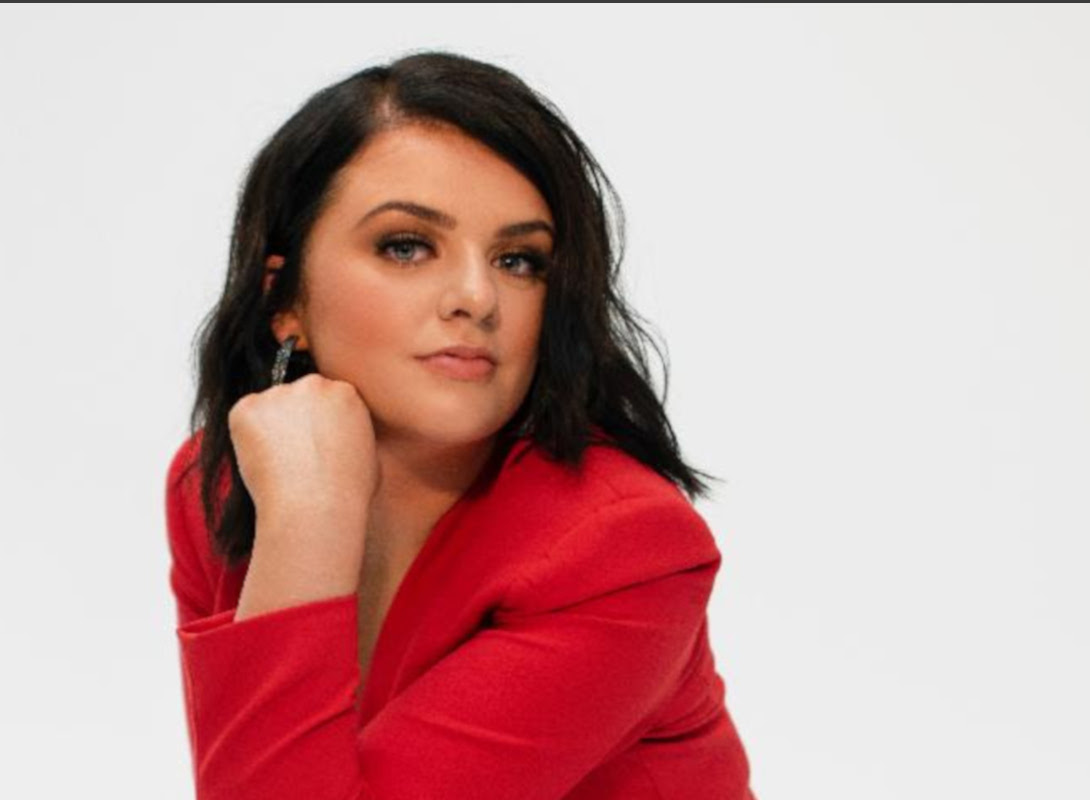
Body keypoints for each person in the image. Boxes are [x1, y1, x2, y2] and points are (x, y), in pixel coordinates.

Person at [165, 50, 756, 799]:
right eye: (406, 246)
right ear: (284, 300)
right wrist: (301, 516)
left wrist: (309, 524)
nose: (477, 297)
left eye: (519, 260)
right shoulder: (219, 484)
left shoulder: (620, 549)